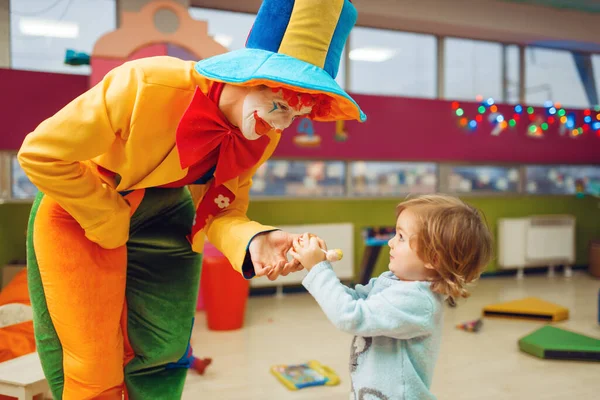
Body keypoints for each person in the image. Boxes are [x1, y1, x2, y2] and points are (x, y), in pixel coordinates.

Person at [16, 0, 366, 398]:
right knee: (93, 361)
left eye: (296, 115)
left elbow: (224, 209)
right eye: (281, 106)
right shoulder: (145, 83)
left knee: (164, 350)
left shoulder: (263, 134)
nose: (283, 125)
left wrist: (255, 239)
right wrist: (107, 214)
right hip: (83, 206)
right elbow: (40, 153)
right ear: (250, 77)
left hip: (168, 214)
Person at [290, 194, 493, 400]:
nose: (390, 242)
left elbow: (349, 315)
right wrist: (317, 267)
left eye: (401, 237)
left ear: (433, 258)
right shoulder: (395, 281)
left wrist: (318, 269)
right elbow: (355, 301)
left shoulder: (418, 301)